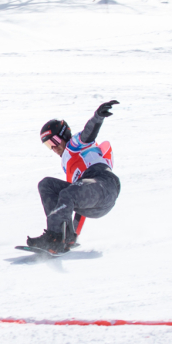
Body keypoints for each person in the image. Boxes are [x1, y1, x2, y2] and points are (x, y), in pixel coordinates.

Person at [28, 100, 121, 254]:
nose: (53, 148)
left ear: (64, 134)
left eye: (54, 141)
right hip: (92, 201)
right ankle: (66, 237)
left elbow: (88, 133)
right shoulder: (67, 164)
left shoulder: (74, 144)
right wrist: (75, 236)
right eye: (48, 145)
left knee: (69, 192)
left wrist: (97, 117)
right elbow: (76, 198)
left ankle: (55, 238)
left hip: (105, 185)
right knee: (46, 185)